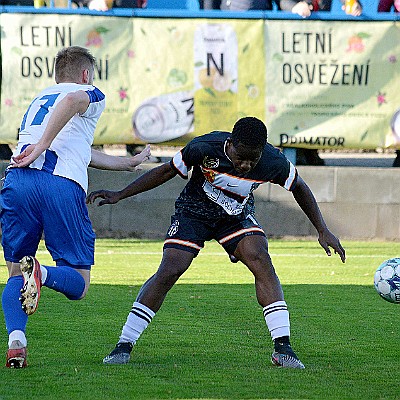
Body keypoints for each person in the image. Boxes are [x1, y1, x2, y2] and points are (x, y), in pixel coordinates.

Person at [87, 116, 346, 369]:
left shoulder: (273, 161)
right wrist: (120, 194)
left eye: (251, 160)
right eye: (240, 157)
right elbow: (166, 171)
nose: (245, 165)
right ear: (230, 144)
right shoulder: (204, 147)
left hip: (234, 217)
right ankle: (124, 344)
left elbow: (299, 186)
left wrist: (322, 229)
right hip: (194, 212)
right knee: (170, 269)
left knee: (260, 259)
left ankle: (283, 349)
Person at [1, 46, 151, 368]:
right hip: (57, 184)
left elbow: (81, 150)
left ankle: (16, 340)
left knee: (15, 271)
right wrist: (43, 146)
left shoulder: (41, 98)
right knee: (79, 285)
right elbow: (72, 103)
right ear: (86, 75)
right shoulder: (87, 93)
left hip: (17, 182)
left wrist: (128, 164)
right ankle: (41, 272)